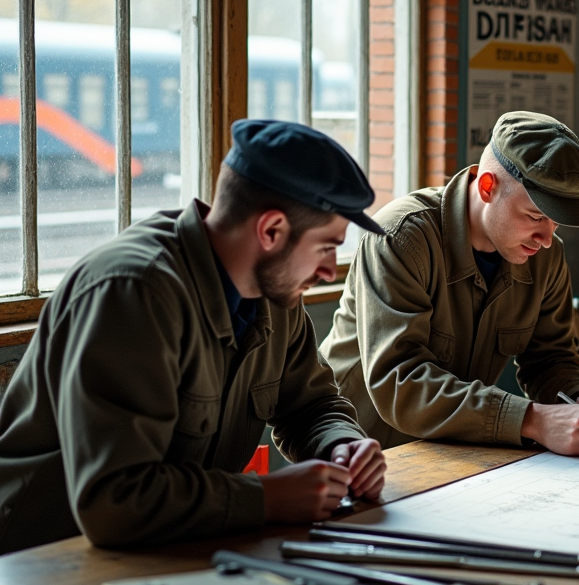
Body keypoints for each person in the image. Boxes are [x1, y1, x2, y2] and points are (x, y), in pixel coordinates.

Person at [0, 120, 388, 555]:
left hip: (172, 546)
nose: (328, 270)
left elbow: (311, 406)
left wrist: (343, 445)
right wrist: (269, 498)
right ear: (271, 231)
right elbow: (115, 500)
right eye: (326, 247)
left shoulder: (273, 289)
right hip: (41, 561)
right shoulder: (134, 291)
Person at [321, 111, 579, 456]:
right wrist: (531, 420)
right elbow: (400, 382)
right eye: (535, 216)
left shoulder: (546, 255)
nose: (546, 239)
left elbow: (551, 358)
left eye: (556, 223)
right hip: (361, 450)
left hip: (452, 449)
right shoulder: (401, 238)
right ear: (487, 187)